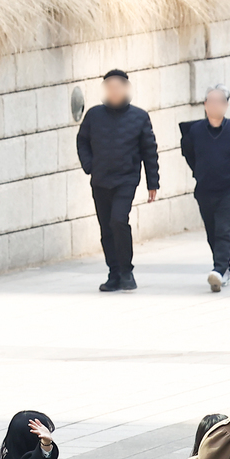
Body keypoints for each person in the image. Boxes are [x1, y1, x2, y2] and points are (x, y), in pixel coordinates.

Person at [76, 69, 160, 292]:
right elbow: (82, 141)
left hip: (126, 179)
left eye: (117, 87)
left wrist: (153, 182)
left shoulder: (139, 117)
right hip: (100, 180)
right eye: (109, 88)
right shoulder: (94, 115)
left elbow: (149, 151)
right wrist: (89, 166)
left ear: (125, 89)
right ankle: (113, 273)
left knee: (118, 221)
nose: (113, 91)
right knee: (106, 228)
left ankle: (126, 271)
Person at [179, 86, 230, 293]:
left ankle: (219, 269)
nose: (214, 105)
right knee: (212, 232)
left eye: (219, 101)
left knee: (224, 230)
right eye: (210, 101)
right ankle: (224, 267)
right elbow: (190, 156)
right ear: (205, 105)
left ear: (225, 105)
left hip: (229, 189)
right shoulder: (196, 131)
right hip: (205, 189)